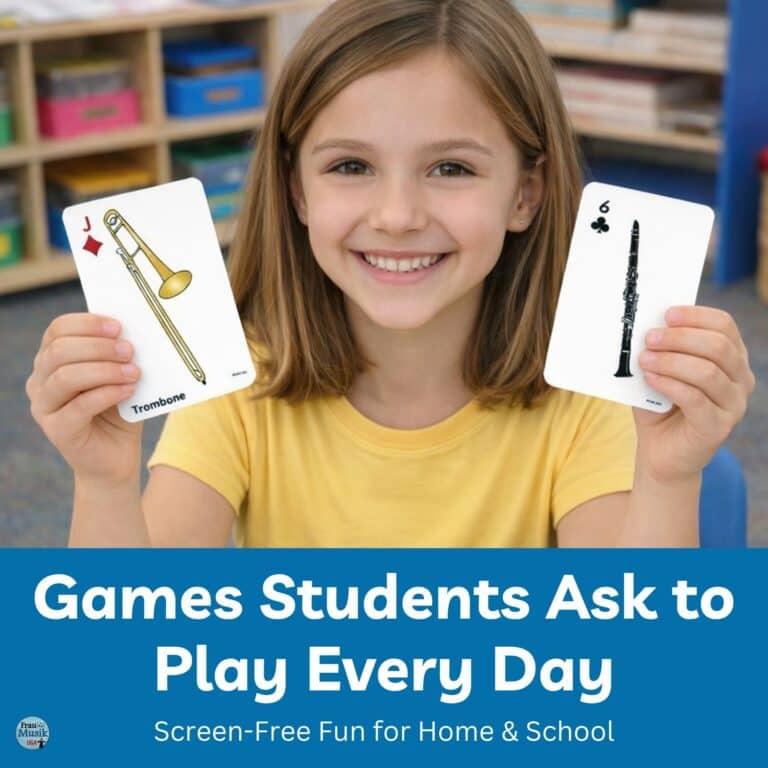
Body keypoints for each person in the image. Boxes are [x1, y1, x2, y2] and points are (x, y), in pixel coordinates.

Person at [26, 0, 755, 548]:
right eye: (351, 166)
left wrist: (666, 478)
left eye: (451, 168)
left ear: (525, 194)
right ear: (297, 191)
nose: (398, 215)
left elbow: (644, 684)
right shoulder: (238, 382)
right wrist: (106, 483)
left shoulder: (585, 399)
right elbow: (120, 670)